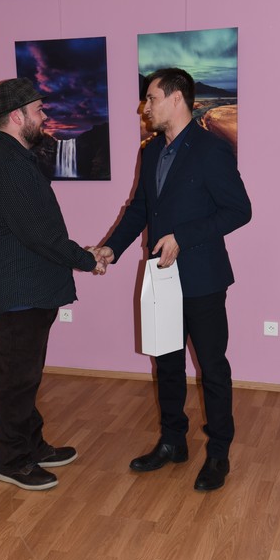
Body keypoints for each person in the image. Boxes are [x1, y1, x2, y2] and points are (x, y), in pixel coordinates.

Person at [95, 68, 251, 491]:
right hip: (160, 276)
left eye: (151, 98)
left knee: (212, 368)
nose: (144, 107)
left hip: (203, 277)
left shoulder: (211, 149)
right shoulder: (150, 152)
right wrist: (112, 248)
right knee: (166, 363)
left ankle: (218, 453)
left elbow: (239, 210)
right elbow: (139, 208)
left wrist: (183, 236)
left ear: (176, 98)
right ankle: (172, 441)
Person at [0, 77, 103, 491]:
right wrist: (86, 259)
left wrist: (81, 254)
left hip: (31, 289)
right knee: (17, 380)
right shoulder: (6, 163)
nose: (45, 117)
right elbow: (39, 234)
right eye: (38, 110)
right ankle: (12, 460)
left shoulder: (15, 156)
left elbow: (38, 228)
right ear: (17, 116)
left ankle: (32, 445)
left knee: (27, 376)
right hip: (18, 293)